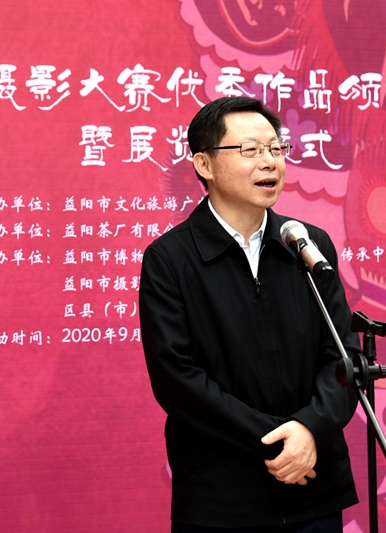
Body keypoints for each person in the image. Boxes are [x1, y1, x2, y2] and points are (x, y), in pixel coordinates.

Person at [139, 96, 360, 532]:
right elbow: (177, 379)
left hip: (313, 487)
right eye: (250, 150)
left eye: (276, 149)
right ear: (204, 164)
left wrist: (310, 429)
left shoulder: (307, 246)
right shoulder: (170, 260)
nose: (269, 162)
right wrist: (276, 439)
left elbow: (342, 355)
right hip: (223, 499)